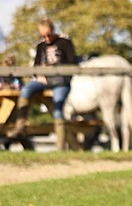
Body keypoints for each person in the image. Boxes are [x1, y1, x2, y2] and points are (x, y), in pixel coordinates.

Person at [5, 18, 79, 151]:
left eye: (48, 35)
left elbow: (73, 62)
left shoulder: (64, 42)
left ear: (53, 30)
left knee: (57, 109)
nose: (47, 38)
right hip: (43, 81)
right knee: (26, 90)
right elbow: (36, 66)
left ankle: (61, 148)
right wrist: (40, 75)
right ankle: (19, 128)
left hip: (61, 82)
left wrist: (52, 68)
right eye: (43, 36)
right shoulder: (41, 46)